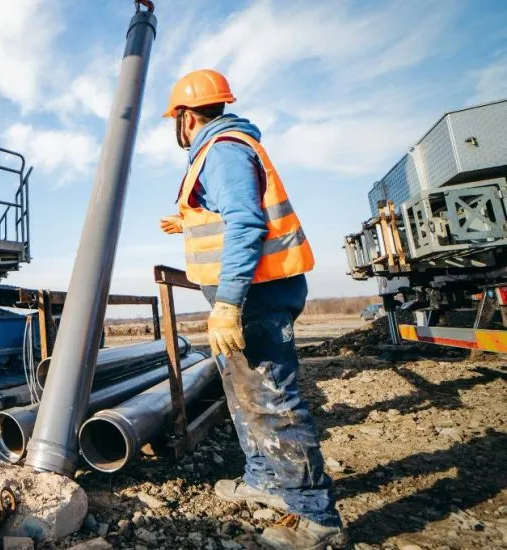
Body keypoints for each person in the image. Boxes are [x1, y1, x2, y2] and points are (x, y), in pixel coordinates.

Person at [159, 69, 347, 550]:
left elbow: (246, 223)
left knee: (271, 397)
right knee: (244, 392)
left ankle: (316, 518)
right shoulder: (224, 149)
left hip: (253, 297)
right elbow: (228, 219)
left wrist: (226, 303)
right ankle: (264, 478)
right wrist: (187, 224)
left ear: (185, 116)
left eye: (175, 118)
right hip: (251, 295)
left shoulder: (222, 151)